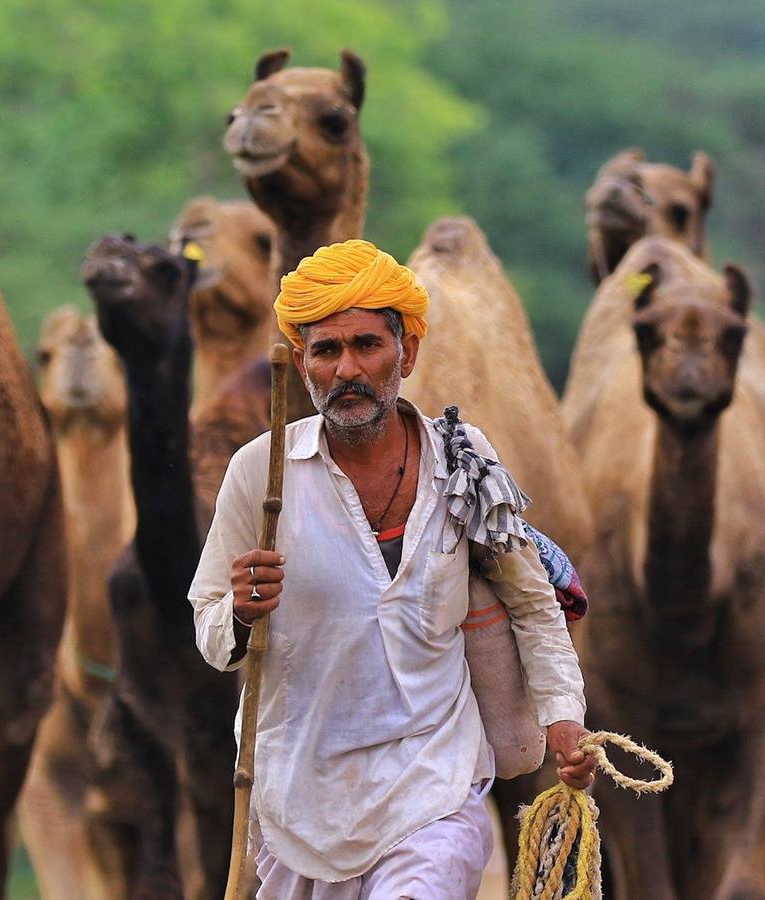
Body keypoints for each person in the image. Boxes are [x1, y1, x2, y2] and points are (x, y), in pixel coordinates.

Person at [188, 239, 594, 898]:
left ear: (407, 352)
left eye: (367, 346)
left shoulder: (463, 461)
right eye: (326, 351)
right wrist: (238, 610)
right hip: (297, 797)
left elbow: (531, 604)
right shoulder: (258, 475)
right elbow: (211, 631)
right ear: (302, 364)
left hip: (432, 790)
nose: (348, 369)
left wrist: (563, 717)